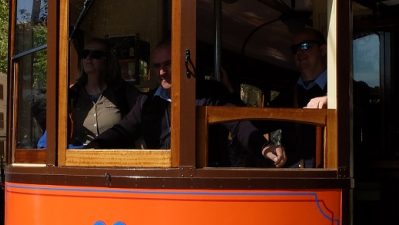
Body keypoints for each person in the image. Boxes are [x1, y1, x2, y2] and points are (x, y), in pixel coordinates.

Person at [88, 41, 285, 167]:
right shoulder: (147, 102)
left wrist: (264, 146)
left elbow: (239, 123)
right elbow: (123, 130)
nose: (162, 72)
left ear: (184, 63)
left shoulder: (210, 93)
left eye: (167, 64)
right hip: (163, 182)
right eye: (157, 66)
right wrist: (94, 146)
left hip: (206, 180)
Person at [268, 28, 328, 166]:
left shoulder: (340, 87)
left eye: (305, 46)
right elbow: (260, 121)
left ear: (323, 50)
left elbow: (360, 98)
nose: (299, 53)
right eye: (295, 49)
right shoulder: (288, 93)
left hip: (330, 176)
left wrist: (332, 99)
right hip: (295, 176)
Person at [68, 37, 138, 146]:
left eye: (96, 55)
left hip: (115, 159)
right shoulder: (73, 93)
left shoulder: (123, 92)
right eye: (85, 54)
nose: (88, 58)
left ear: (108, 60)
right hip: (80, 159)